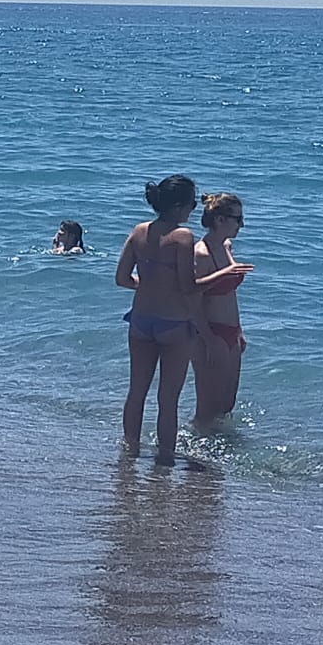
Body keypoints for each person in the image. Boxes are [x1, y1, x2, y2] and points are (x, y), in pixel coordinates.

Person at [115, 174, 200, 466]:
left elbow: (122, 279)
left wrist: (148, 285)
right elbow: (188, 286)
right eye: (192, 203)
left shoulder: (139, 231)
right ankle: (165, 458)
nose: (193, 209)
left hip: (140, 320)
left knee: (136, 390)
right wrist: (218, 280)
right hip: (174, 324)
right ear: (179, 206)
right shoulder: (183, 237)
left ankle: (130, 450)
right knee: (168, 398)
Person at [189, 193, 254, 423]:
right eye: (237, 219)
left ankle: (216, 453)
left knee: (226, 404)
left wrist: (240, 332)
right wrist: (208, 338)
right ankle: (190, 453)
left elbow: (230, 294)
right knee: (207, 406)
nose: (241, 224)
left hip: (232, 332)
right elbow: (192, 301)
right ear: (220, 220)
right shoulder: (201, 253)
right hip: (209, 333)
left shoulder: (226, 246)